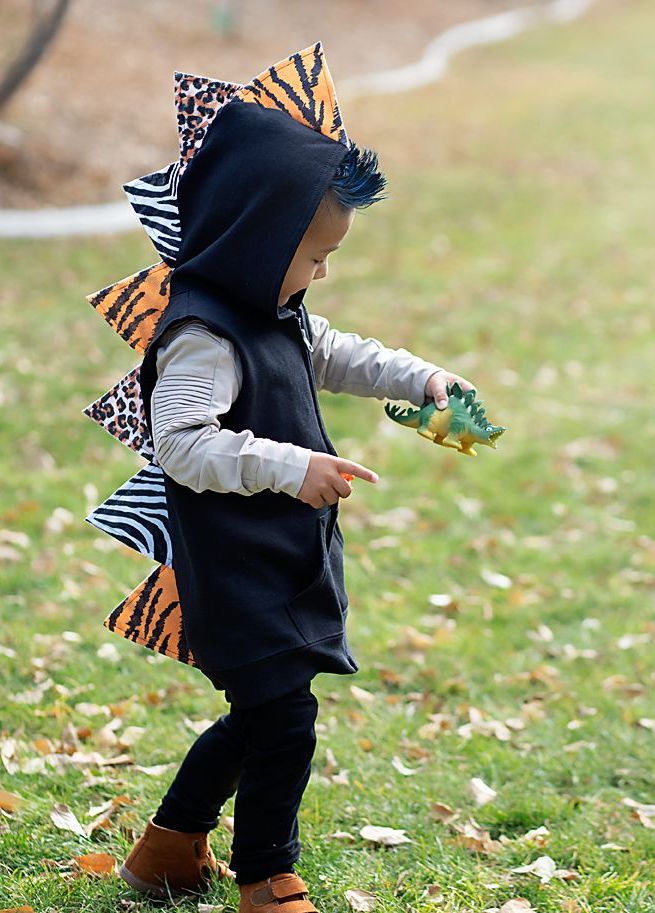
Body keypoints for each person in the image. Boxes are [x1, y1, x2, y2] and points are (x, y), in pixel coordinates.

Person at [117, 76, 476, 913]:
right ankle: (267, 879)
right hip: (235, 567)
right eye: (313, 255)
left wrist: (420, 377)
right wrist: (291, 465)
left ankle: (165, 852)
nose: (318, 273)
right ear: (252, 237)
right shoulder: (205, 333)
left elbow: (337, 353)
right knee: (283, 720)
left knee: (261, 716)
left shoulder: (278, 310)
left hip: (283, 558)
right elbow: (180, 443)